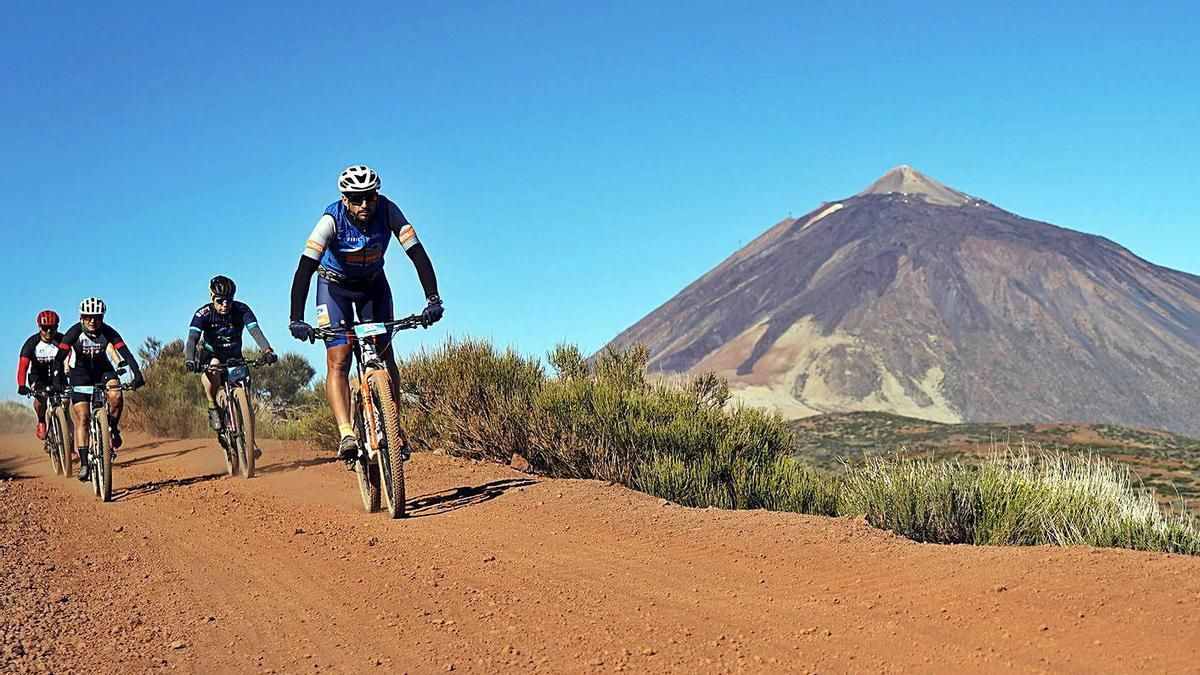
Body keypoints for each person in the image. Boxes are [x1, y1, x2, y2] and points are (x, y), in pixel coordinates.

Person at [288, 165, 444, 466]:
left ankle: (395, 429)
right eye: (356, 198)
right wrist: (296, 317)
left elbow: (417, 253)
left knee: (385, 353)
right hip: (334, 290)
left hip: (374, 286)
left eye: (369, 197)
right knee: (340, 356)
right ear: (344, 199)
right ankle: (346, 432)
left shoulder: (388, 211)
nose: (364, 205)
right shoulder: (329, 221)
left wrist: (432, 298)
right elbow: (305, 268)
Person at [52, 297, 145, 481]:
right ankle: (85, 464)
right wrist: (58, 379)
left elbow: (126, 353)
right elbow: (59, 357)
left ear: (102, 317)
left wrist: (138, 374)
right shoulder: (74, 332)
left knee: (116, 394)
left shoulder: (108, 332)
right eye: (88, 317)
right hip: (80, 374)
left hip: (103, 370)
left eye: (96, 317)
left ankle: (112, 428)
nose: (92, 321)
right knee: (83, 417)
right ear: (82, 317)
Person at [184, 275, 278, 433]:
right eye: (220, 300)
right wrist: (190, 359)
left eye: (229, 300)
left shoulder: (242, 310)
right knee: (213, 366)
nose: (225, 304)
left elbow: (255, 331)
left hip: (234, 355)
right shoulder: (203, 314)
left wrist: (267, 350)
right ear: (212, 298)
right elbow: (192, 338)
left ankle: (249, 437)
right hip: (211, 354)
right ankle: (212, 404)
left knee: (246, 397)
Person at [16, 310, 65, 441]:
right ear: (39, 327)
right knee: (41, 399)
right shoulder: (31, 344)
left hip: (58, 376)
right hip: (38, 378)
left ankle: (69, 447)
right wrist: (21, 385)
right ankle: (41, 421)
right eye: (45, 328)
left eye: (53, 328)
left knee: (65, 406)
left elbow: (72, 359)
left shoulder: (62, 340)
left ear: (57, 327)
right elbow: (23, 366)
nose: (49, 331)